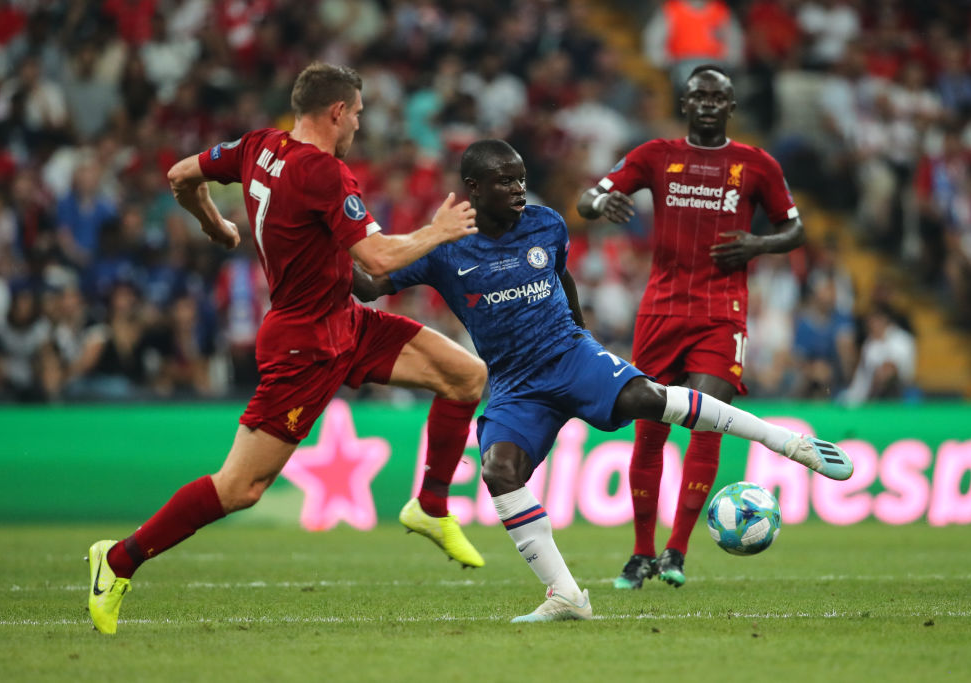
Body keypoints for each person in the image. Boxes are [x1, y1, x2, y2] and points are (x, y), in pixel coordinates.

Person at [355, 139, 853, 622]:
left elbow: (561, 275)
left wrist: (582, 335)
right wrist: (332, 247)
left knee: (648, 397)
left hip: (569, 354)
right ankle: (566, 595)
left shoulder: (546, 223)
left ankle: (789, 443)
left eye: (521, 179)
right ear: (473, 188)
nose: (518, 189)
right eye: (505, 181)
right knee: (498, 469)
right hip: (515, 383)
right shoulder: (443, 247)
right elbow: (372, 284)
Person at [86, 62, 489, 635]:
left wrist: (215, 225)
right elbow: (376, 260)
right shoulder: (324, 173)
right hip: (305, 344)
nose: (359, 125)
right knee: (240, 487)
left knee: (466, 376)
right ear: (337, 112)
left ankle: (430, 506)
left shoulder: (257, 146)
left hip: (344, 321)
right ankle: (118, 560)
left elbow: (180, 175)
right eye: (357, 114)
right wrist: (439, 231)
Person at [576, 65, 808, 590]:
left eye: (716, 97)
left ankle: (676, 551)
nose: (706, 103)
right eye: (698, 95)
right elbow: (588, 199)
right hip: (660, 312)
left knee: (708, 422)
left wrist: (758, 244)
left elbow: (794, 229)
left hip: (721, 314)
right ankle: (641, 553)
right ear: (684, 103)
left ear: (731, 107)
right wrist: (603, 202)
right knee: (650, 430)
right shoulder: (655, 155)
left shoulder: (756, 164)